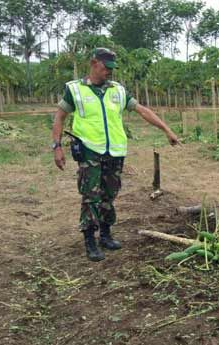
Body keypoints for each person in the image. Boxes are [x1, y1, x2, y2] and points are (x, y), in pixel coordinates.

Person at [51, 48, 179, 261]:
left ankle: (106, 234)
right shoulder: (75, 90)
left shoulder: (117, 90)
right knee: (91, 195)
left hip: (115, 152)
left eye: (111, 69)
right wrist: (56, 147)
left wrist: (166, 129)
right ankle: (90, 239)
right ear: (94, 63)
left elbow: (142, 110)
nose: (108, 73)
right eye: (105, 68)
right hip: (89, 150)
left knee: (109, 194)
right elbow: (59, 118)